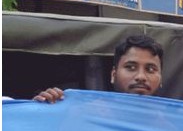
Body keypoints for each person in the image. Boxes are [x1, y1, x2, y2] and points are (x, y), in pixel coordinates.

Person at [33, 35, 164, 103]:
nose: (141, 76)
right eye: (131, 67)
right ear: (113, 75)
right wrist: (39, 111)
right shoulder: (85, 114)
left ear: (161, 78)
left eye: (150, 69)